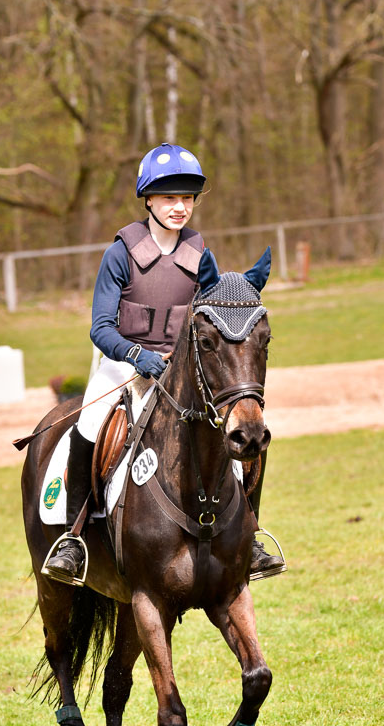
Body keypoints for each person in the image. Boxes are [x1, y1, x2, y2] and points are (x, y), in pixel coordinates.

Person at [44, 142, 284, 582]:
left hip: (180, 374)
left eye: (187, 198)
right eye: (169, 197)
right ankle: (73, 540)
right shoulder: (121, 253)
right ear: (149, 200)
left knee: (238, 434)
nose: (180, 207)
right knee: (88, 423)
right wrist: (139, 356)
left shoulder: (199, 254)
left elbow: (213, 316)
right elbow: (100, 328)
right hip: (124, 364)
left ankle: (250, 537)